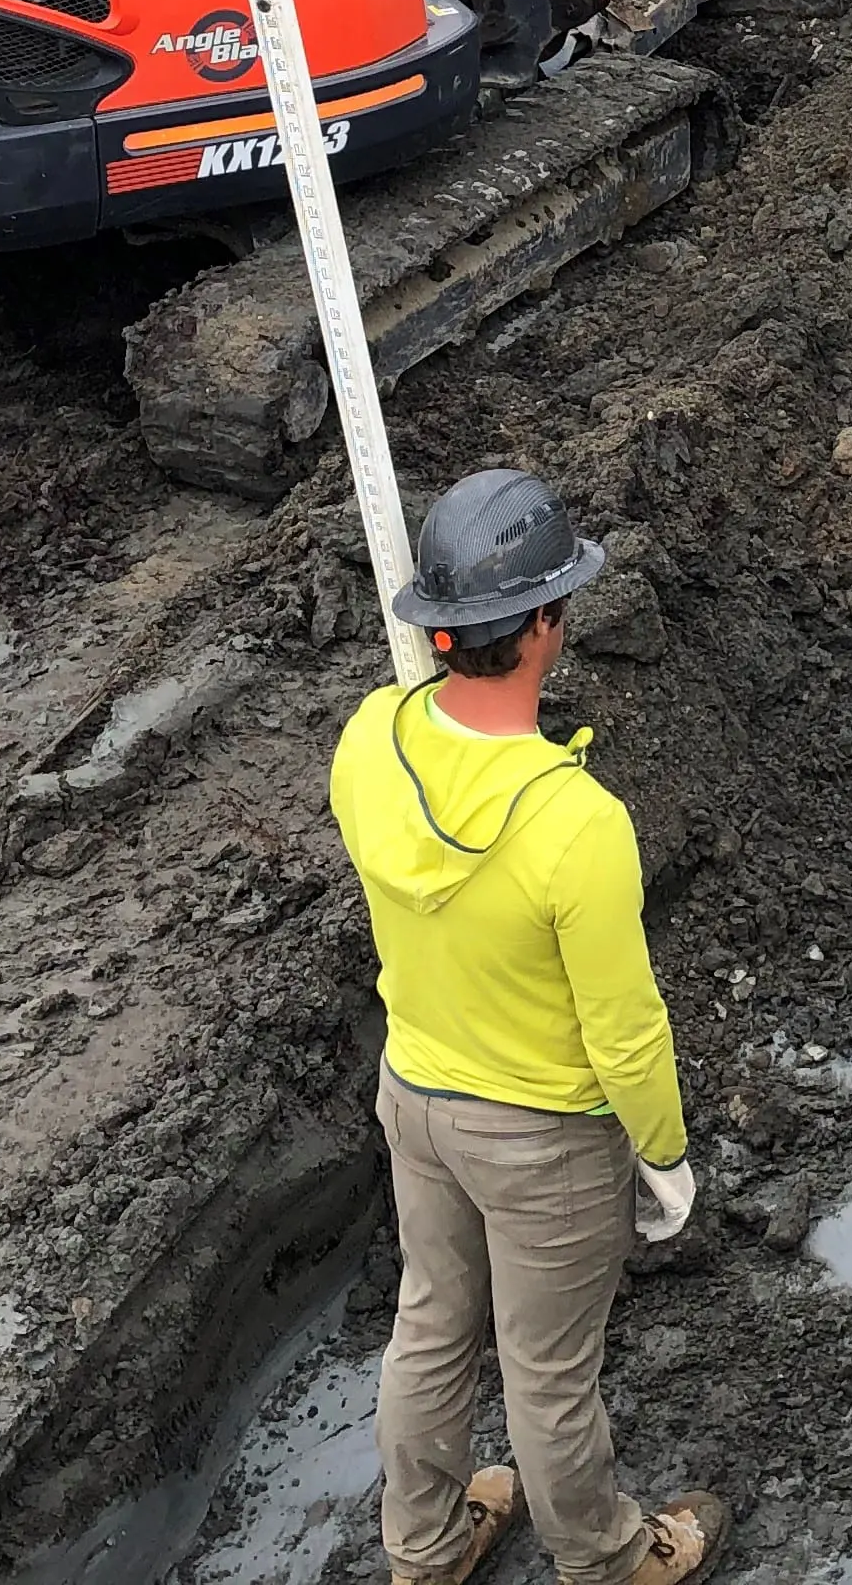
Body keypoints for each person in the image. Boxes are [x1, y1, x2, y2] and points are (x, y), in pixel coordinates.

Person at [328, 472, 727, 1585]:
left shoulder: (370, 739)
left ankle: (425, 1549)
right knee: (548, 1376)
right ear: (546, 622)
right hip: (543, 1137)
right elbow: (627, 1031)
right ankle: (608, 1562)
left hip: (415, 1096)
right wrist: (661, 1150)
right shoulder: (572, 823)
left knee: (431, 1331)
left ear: (442, 629)